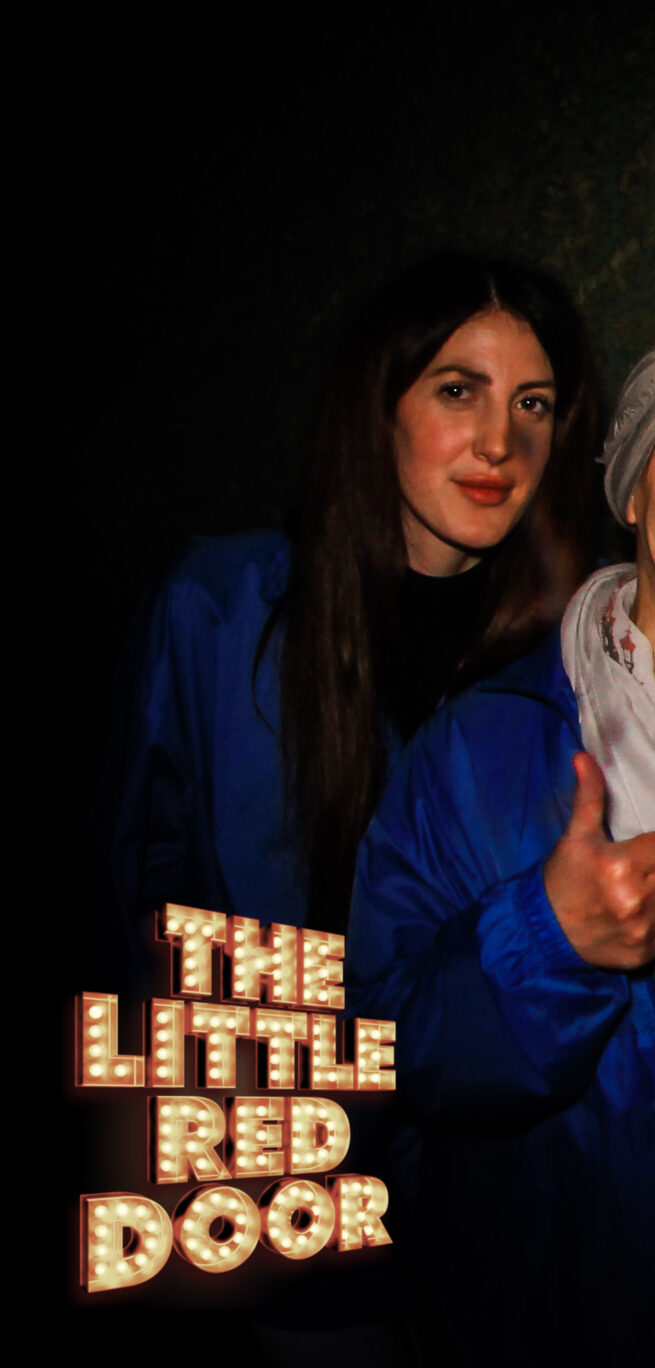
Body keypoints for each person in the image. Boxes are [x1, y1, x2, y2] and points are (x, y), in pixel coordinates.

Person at [349, 312, 655, 1366]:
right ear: (631, 486)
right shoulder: (483, 745)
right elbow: (389, 1052)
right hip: (602, 1302)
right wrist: (546, 939)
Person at [94, 254, 599, 978]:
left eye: (533, 405)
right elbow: (131, 898)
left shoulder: (577, 654)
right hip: (246, 1046)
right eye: (458, 391)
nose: (498, 443)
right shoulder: (215, 608)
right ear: (380, 407)